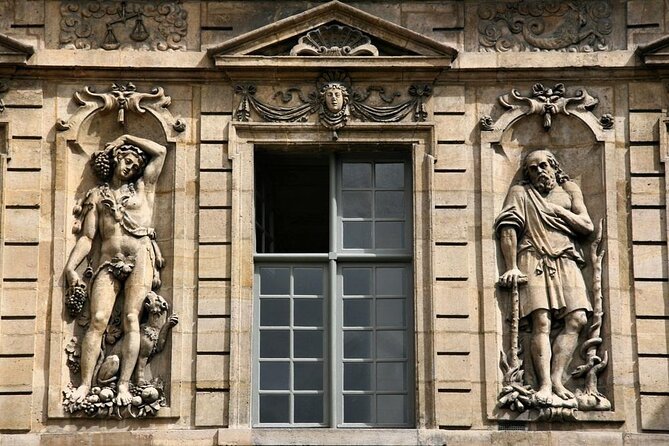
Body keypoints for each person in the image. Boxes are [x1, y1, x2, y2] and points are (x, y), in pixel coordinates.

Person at [64, 134, 167, 406]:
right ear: (117, 159)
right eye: (127, 162)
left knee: (132, 318)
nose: (130, 169)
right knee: (98, 319)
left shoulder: (144, 188)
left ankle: (124, 386)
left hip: (141, 255)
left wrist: (126, 137)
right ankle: (85, 385)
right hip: (108, 260)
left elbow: (160, 151)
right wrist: (70, 268)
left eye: (134, 166)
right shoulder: (98, 195)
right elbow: (87, 238)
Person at [495, 149, 594, 403]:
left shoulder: (570, 189)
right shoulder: (520, 192)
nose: (540, 171)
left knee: (578, 318)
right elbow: (508, 226)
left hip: (567, 257)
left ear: (554, 166)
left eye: (544, 166)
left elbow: (586, 225)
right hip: (533, 256)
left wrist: (559, 212)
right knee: (541, 322)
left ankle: (559, 378)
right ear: (527, 174)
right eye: (533, 168)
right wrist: (510, 266)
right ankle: (545, 385)